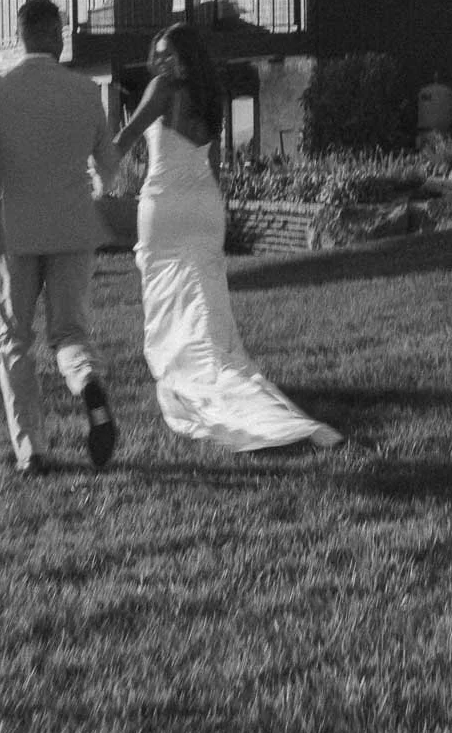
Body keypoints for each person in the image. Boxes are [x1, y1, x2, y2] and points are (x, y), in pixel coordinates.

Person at [113, 23, 343, 452]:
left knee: (171, 305)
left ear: (185, 57)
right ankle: (228, 381)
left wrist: (87, 167)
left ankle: (205, 385)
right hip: (205, 205)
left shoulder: (162, 89)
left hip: (166, 206)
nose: (160, 62)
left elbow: (123, 141)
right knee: (207, 309)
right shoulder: (209, 97)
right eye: (157, 54)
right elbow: (213, 166)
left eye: (168, 54)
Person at [0, 0, 122, 476]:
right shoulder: (86, 92)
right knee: (70, 333)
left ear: (20, 37)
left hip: (15, 232)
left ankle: (31, 450)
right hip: (73, 229)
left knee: (15, 340)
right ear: (59, 35)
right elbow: (108, 167)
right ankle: (88, 385)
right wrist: (97, 188)